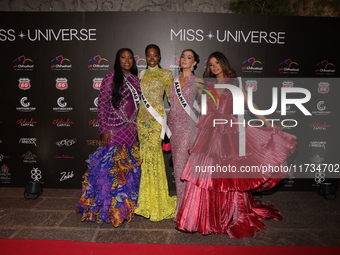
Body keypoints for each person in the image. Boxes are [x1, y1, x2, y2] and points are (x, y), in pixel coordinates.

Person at [175, 51, 297, 238]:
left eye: (218, 63)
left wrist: (269, 124)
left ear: (224, 64)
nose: (215, 67)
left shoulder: (235, 85)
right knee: (203, 175)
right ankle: (199, 216)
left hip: (226, 132)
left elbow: (252, 105)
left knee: (227, 175)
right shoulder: (206, 84)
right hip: (207, 131)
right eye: (212, 64)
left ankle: (230, 214)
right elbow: (188, 98)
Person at [76, 48, 142, 227]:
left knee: (126, 170)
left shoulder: (136, 80)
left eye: (130, 58)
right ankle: (105, 209)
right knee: (109, 170)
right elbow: (102, 106)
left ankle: (122, 208)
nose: (127, 60)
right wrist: (103, 130)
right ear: (117, 59)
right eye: (123, 57)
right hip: (113, 128)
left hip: (130, 129)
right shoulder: (110, 77)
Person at [135, 44, 177, 221]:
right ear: (145, 57)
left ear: (159, 57)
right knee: (145, 157)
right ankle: (145, 199)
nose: (152, 58)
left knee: (154, 156)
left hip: (156, 120)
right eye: (148, 55)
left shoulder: (166, 74)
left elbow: (172, 99)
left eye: (155, 55)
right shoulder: (140, 75)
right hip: (141, 121)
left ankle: (158, 200)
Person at [168, 49, 204, 205]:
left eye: (189, 57)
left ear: (194, 63)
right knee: (178, 166)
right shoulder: (174, 80)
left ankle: (186, 207)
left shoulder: (198, 81)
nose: (184, 59)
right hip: (174, 127)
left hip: (190, 126)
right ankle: (185, 204)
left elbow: (206, 104)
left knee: (184, 164)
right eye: (183, 56)